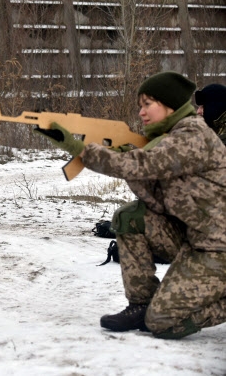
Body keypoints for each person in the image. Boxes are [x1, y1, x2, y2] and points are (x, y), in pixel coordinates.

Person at [36, 71, 226, 339]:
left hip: (218, 250)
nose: (141, 112)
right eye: (140, 105)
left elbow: (140, 166)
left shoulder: (191, 136)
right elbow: (155, 197)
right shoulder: (173, 136)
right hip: (195, 238)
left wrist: (75, 145)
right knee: (131, 217)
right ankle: (141, 304)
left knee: (162, 323)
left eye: (148, 104)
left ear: (170, 104)